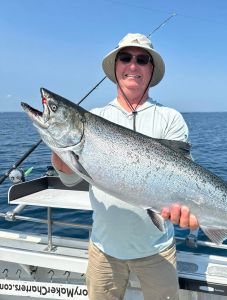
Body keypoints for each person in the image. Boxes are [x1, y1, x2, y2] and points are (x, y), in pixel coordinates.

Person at [52, 33, 199, 300]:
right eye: (125, 57)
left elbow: (185, 179)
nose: (133, 65)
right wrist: (59, 144)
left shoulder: (170, 118)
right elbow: (70, 180)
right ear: (116, 66)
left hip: (158, 251)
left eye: (142, 59)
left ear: (151, 70)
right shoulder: (95, 118)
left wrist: (185, 210)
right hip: (103, 250)